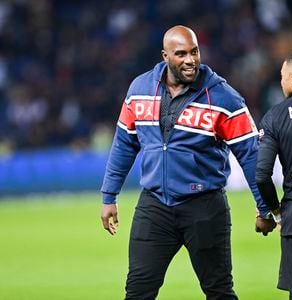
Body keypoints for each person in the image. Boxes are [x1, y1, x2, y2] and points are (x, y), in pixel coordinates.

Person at [101, 25, 272, 300]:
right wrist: (109, 195)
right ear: (165, 56)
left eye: (194, 52)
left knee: (219, 292)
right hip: (155, 205)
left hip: (204, 207)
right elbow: (124, 143)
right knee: (137, 291)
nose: (190, 60)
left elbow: (251, 154)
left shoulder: (224, 97)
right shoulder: (139, 89)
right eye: (181, 54)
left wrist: (265, 207)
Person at [256, 50, 292, 300]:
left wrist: (274, 212)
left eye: (283, 77)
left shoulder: (275, 117)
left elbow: (262, 175)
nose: (281, 82)